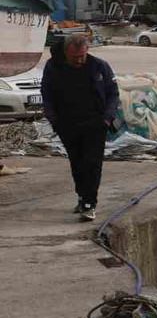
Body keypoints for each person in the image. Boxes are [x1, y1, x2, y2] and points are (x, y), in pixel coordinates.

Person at [40, 34, 119, 221]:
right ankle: (82, 195)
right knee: (77, 162)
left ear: (87, 50)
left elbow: (113, 93)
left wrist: (107, 118)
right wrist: (53, 119)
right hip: (67, 124)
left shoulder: (99, 66)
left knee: (92, 162)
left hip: (96, 123)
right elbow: (47, 94)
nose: (79, 60)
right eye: (75, 57)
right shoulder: (53, 67)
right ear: (66, 52)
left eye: (82, 56)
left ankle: (90, 202)